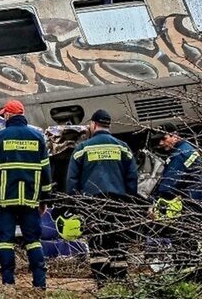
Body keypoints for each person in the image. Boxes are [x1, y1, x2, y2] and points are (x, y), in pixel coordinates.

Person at [0, 100, 53, 288]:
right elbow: (46, 171)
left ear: (8, 115)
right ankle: (40, 284)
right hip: (30, 200)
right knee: (33, 241)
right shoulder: (37, 137)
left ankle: (8, 284)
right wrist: (44, 199)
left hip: (6, 200)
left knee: (6, 241)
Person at [66, 109, 138, 284]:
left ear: (93, 124)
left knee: (97, 240)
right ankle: (119, 280)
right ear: (109, 125)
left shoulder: (82, 148)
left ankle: (102, 281)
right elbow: (132, 177)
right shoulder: (122, 147)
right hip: (118, 202)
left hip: (92, 203)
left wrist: (74, 202)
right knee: (118, 240)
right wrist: (130, 199)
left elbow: (72, 179)